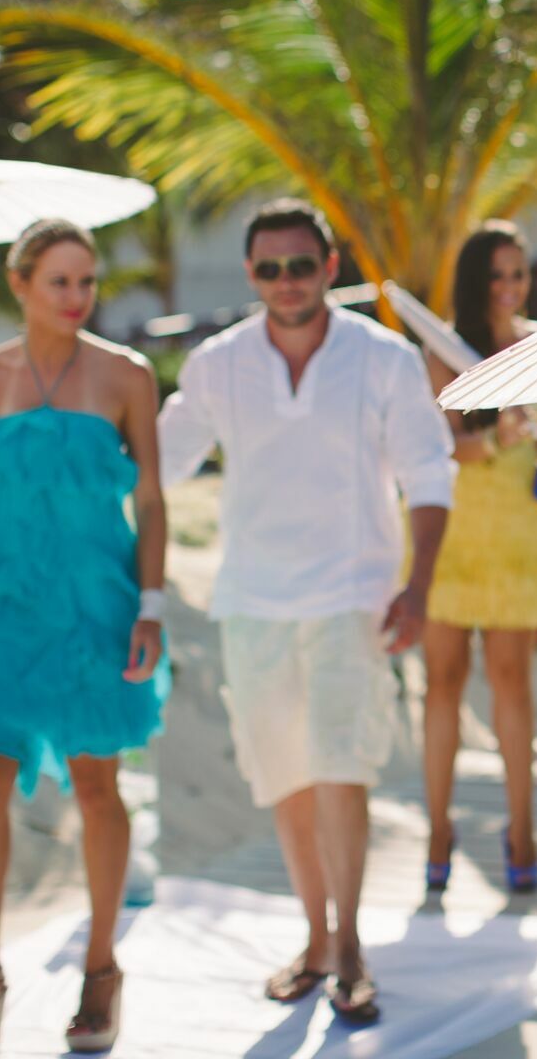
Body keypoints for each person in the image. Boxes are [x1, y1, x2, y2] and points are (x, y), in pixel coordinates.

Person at [157, 200, 453, 1025]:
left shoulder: (384, 359)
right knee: (283, 773)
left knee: (340, 768)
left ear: (329, 268)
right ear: (251, 276)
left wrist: (418, 586)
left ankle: (351, 944)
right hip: (251, 600)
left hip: (353, 598)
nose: (285, 281)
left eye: (300, 265)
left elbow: (429, 476)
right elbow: (157, 462)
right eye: (268, 268)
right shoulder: (215, 365)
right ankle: (315, 939)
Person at [0, 218, 169, 1059]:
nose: (77, 298)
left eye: (88, 282)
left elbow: (151, 502)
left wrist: (150, 603)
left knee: (97, 790)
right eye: (60, 281)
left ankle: (101, 969)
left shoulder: (126, 375)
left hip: (96, 607)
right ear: (21, 281)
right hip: (2, 605)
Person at [419, 221, 537, 895]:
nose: (509, 287)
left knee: (513, 685)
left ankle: (522, 826)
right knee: (441, 682)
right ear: (475, 280)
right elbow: (443, 448)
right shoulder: (443, 349)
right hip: (450, 529)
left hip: (514, 531)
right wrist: (499, 431)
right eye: (497, 275)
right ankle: (438, 826)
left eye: (519, 273)